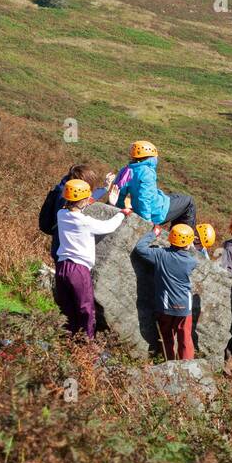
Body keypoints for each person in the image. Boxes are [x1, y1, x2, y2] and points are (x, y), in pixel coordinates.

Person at [54, 180, 128, 337]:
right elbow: (108, 226)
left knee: (67, 308)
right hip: (78, 269)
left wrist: (107, 198)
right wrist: (122, 213)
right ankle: (87, 347)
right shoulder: (84, 222)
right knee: (86, 309)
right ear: (83, 200)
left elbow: (79, 206)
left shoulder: (61, 214)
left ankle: (68, 341)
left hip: (61, 267)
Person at [134, 223, 199, 361]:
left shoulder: (160, 255)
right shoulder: (191, 261)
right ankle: (187, 365)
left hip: (165, 306)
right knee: (185, 338)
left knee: (166, 336)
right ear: (187, 244)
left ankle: (168, 362)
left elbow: (140, 248)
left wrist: (154, 233)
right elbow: (190, 256)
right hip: (184, 307)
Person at [38, 163, 113, 266]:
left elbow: (85, 200)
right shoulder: (64, 197)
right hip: (64, 251)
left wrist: (104, 189)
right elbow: (85, 202)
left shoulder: (64, 189)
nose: (90, 190)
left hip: (60, 247)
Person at [116, 140, 197, 232]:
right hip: (157, 212)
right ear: (150, 157)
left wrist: (120, 209)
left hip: (154, 203)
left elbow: (119, 193)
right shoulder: (146, 172)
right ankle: (184, 237)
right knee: (189, 202)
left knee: (179, 197)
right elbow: (144, 199)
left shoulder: (127, 170)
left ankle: (177, 234)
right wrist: (147, 222)